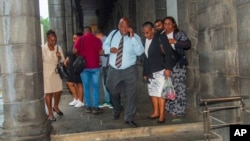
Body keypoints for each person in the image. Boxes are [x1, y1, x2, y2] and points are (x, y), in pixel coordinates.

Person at [103, 18, 144, 128]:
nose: (124, 29)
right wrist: (109, 49)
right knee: (110, 88)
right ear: (118, 26)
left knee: (131, 94)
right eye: (122, 26)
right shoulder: (113, 34)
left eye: (126, 26)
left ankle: (129, 118)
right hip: (114, 68)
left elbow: (140, 51)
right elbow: (105, 45)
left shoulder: (135, 37)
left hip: (129, 70)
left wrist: (132, 38)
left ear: (130, 27)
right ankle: (117, 107)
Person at [142, 22, 175, 123]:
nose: (145, 35)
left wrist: (168, 68)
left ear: (152, 30)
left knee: (161, 93)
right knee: (153, 92)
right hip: (150, 71)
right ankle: (155, 112)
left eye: (147, 32)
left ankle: (162, 115)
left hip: (161, 69)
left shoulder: (161, 37)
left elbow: (168, 53)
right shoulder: (146, 40)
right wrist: (145, 72)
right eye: (143, 33)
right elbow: (145, 57)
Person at [163, 16, 191, 117]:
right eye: (165, 24)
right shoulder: (162, 36)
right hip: (167, 66)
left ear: (173, 24)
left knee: (179, 88)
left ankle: (178, 111)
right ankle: (170, 108)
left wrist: (175, 42)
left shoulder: (179, 34)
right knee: (169, 87)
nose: (167, 25)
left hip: (178, 65)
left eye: (169, 23)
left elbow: (188, 44)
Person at [73, 26, 103, 114]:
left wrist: (81, 52)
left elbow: (74, 51)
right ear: (91, 32)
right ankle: (95, 107)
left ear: (84, 32)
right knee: (95, 87)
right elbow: (100, 52)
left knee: (86, 87)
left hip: (84, 67)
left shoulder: (80, 39)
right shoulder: (97, 40)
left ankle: (88, 107)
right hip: (95, 67)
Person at [42, 29, 65, 122]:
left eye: (55, 40)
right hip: (47, 73)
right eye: (51, 40)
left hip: (56, 73)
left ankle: (55, 106)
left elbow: (63, 61)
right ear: (47, 39)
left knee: (58, 91)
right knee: (48, 93)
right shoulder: (42, 48)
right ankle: (50, 113)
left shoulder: (58, 48)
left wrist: (59, 57)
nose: (53, 42)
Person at [64, 32, 84, 108]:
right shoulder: (73, 45)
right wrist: (66, 59)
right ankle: (76, 98)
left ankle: (81, 100)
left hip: (77, 67)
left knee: (79, 84)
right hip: (71, 67)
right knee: (70, 83)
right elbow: (70, 54)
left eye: (76, 38)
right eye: (73, 38)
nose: (74, 40)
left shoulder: (80, 46)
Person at [95, 30, 113, 109]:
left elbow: (105, 52)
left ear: (98, 34)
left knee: (106, 83)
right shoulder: (107, 40)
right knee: (106, 83)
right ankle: (108, 100)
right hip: (106, 64)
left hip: (106, 65)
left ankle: (108, 101)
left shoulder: (104, 41)